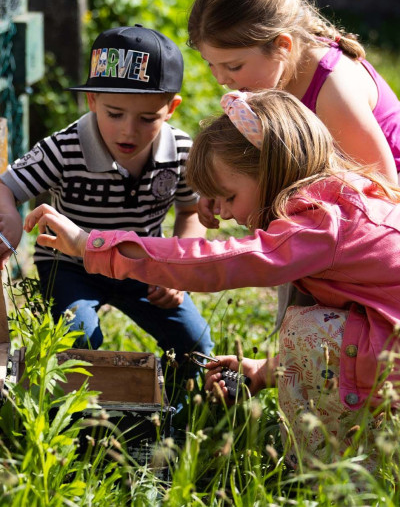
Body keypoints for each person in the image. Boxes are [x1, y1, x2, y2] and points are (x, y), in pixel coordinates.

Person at [24, 89, 400, 469]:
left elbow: (215, 263)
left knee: (305, 329)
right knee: (312, 328)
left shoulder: (318, 227)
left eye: (229, 197)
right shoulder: (336, 201)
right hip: (387, 344)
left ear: (270, 172)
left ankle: (331, 476)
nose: (226, 214)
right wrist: (264, 370)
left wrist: (92, 244)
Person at [0, 24, 212, 394]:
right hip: (70, 267)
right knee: (77, 340)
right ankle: (83, 417)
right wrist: (11, 222)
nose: (128, 131)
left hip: (144, 266)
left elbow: (190, 212)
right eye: (114, 113)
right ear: (92, 101)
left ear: (171, 107)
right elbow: (6, 186)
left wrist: (177, 271)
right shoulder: (64, 148)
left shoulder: (180, 151)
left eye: (147, 119)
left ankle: (174, 416)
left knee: (194, 346)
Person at [187, 0, 400, 325]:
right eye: (211, 65)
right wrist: (221, 185)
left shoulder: (334, 92)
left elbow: (385, 194)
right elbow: (255, 153)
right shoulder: (268, 79)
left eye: (233, 66)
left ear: (282, 45)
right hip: (325, 222)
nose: (221, 78)